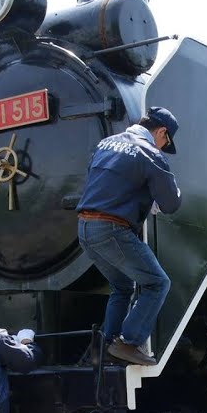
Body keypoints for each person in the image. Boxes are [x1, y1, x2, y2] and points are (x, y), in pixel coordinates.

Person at [75, 107, 183, 366]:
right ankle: (129, 342)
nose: (163, 147)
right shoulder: (150, 153)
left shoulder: (105, 144)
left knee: (122, 287)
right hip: (112, 229)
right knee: (157, 283)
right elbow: (170, 204)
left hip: (84, 229)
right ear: (162, 132)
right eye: (165, 142)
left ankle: (107, 345)